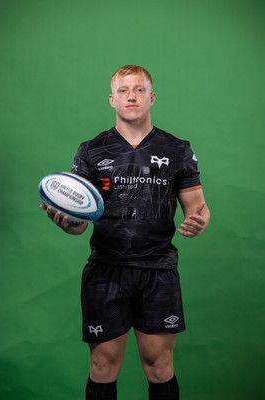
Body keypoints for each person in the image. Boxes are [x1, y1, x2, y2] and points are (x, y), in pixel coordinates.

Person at [41, 65, 210, 400]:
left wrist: (198, 220)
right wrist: (66, 222)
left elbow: (198, 206)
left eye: (139, 89)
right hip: (106, 269)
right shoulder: (91, 150)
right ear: (111, 99)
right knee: (102, 365)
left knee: (159, 365)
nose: (131, 96)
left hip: (158, 269)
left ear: (152, 97)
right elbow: (79, 221)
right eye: (123, 90)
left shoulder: (177, 148)